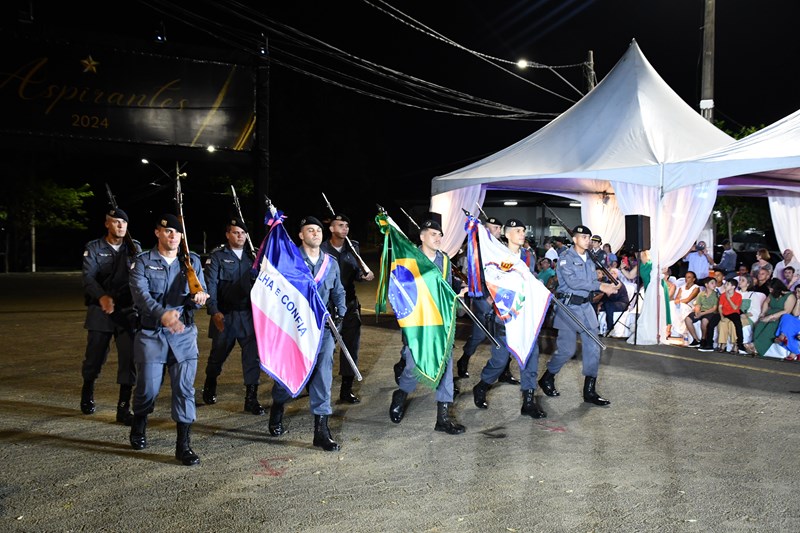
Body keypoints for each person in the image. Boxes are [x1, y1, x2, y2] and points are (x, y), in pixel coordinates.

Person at [128, 214, 210, 466]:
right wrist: (162, 314)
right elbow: (140, 295)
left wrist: (199, 299)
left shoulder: (191, 262)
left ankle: (183, 445)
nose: (172, 236)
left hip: (183, 334)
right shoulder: (142, 262)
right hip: (151, 333)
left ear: (182, 237)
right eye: (167, 231)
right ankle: (140, 420)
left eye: (177, 232)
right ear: (157, 233)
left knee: (185, 389)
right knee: (147, 389)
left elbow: (201, 291)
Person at [267, 216, 346, 451]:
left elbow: (338, 291)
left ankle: (321, 431)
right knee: (289, 377)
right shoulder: (289, 261)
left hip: (322, 330)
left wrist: (340, 313)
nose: (316, 233)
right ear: (301, 235)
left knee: (323, 377)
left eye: (318, 230)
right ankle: (278, 405)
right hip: (295, 332)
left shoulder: (330, 263)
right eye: (310, 230)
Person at [390, 219, 467, 435]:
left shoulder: (444, 260)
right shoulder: (409, 258)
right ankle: (401, 394)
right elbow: (399, 287)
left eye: (440, 235)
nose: (438, 238)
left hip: (441, 323)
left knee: (445, 368)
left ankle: (442, 418)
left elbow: (447, 287)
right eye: (433, 234)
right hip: (418, 323)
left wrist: (459, 290)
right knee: (414, 367)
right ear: (422, 236)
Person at [472, 218, 548, 419]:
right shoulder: (496, 253)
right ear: (507, 234)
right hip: (503, 318)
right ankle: (482, 386)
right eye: (517, 230)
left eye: (523, 230)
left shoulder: (529, 256)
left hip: (524, 317)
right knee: (500, 361)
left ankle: (529, 401)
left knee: (531, 356)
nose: (522, 234)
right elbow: (483, 278)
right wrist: (492, 300)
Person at [538, 225, 619, 406]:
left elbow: (590, 282)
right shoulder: (565, 258)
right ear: (574, 239)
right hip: (568, 308)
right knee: (567, 350)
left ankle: (589, 391)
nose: (587, 240)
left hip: (585, 308)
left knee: (593, 348)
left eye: (589, 237)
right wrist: (600, 286)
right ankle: (547, 377)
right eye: (583, 237)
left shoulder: (590, 259)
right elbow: (573, 282)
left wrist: (609, 285)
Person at [79, 207, 141, 424]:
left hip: (127, 311)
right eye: (116, 222)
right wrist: (102, 296)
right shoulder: (94, 248)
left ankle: (123, 407)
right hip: (101, 310)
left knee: (129, 358)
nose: (121, 226)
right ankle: (88, 389)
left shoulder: (135, 249)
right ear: (107, 224)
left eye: (124, 222)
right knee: (95, 357)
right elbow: (88, 278)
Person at [201, 217, 264, 415]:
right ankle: (210, 381)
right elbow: (210, 285)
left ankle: (251, 398)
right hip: (225, 315)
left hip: (247, 315)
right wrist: (214, 311)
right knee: (217, 355)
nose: (240, 236)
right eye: (236, 232)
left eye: (243, 233)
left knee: (252, 357)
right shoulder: (218, 257)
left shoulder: (252, 258)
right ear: (228, 234)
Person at [455, 216, 519, 385]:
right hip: (483, 297)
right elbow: (476, 277)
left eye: (499, 228)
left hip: (502, 299)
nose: (497, 231)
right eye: (494, 228)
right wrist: (488, 297)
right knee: (479, 334)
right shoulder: (477, 249)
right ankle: (465, 358)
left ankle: (504, 369)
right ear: (484, 229)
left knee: (506, 335)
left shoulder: (503, 249)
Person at [320, 213, 375, 404]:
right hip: (326, 308)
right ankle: (315, 384)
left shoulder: (353, 247)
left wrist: (365, 275)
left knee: (351, 348)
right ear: (331, 228)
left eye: (347, 225)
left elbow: (357, 272)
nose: (344, 228)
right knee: (324, 350)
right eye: (340, 225)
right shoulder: (322, 249)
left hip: (350, 305)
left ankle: (346, 390)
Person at [752, 279, 795, 357]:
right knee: (760, 324)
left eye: (771, 288)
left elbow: (787, 311)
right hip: (770, 313)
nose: (770, 290)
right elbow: (766, 302)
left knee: (771, 326)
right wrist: (763, 313)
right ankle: (754, 344)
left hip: (781, 316)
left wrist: (771, 317)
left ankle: (757, 348)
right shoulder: (772, 294)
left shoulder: (790, 296)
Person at [684, 277, 720, 352]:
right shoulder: (701, 294)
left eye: (715, 283)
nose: (714, 285)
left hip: (710, 312)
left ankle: (703, 339)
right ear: (706, 285)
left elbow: (714, 308)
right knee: (687, 319)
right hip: (701, 311)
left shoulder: (715, 295)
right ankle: (696, 339)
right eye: (712, 283)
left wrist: (702, 314)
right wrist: (697, 312)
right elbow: (698, 305)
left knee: (704, 321)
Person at [716, 278, 748, 355]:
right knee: (722, 323)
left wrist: (728, 299)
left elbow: (735, 308)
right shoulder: (723, 295)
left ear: (733, 287)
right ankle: (722, 343)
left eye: (727, 284)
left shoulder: (738, 296)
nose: (725, 285)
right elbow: (720, 307)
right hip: (724, 313)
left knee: (735, 324)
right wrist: (721, 316)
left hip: (734, 313)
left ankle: (736, 344)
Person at [598, 267, 629, 335]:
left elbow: (614, 298)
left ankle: (610, 328)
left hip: (622, 303)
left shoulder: (618, 284)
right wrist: (600, 304)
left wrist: (608, 292)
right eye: (610, 273)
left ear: (616, 275)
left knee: (609, 305)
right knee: (597, 306)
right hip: (610, 303)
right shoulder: (607, 283)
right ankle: (597, 327)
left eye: (613, 273)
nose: (611, 275)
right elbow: (604, 297)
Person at [671, 271, 700, 340]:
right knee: (671, 304)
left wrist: (679, 302)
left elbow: (688, 299)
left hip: (689, 306)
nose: (687, 279)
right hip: (680, 304)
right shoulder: (682, 287)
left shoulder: (696, 288)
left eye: (689, 277)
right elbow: (677, 297)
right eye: (686, 277)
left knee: (680, 307)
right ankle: (673, 329)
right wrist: (677, 300)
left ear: (693, 279)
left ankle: (680, 331)